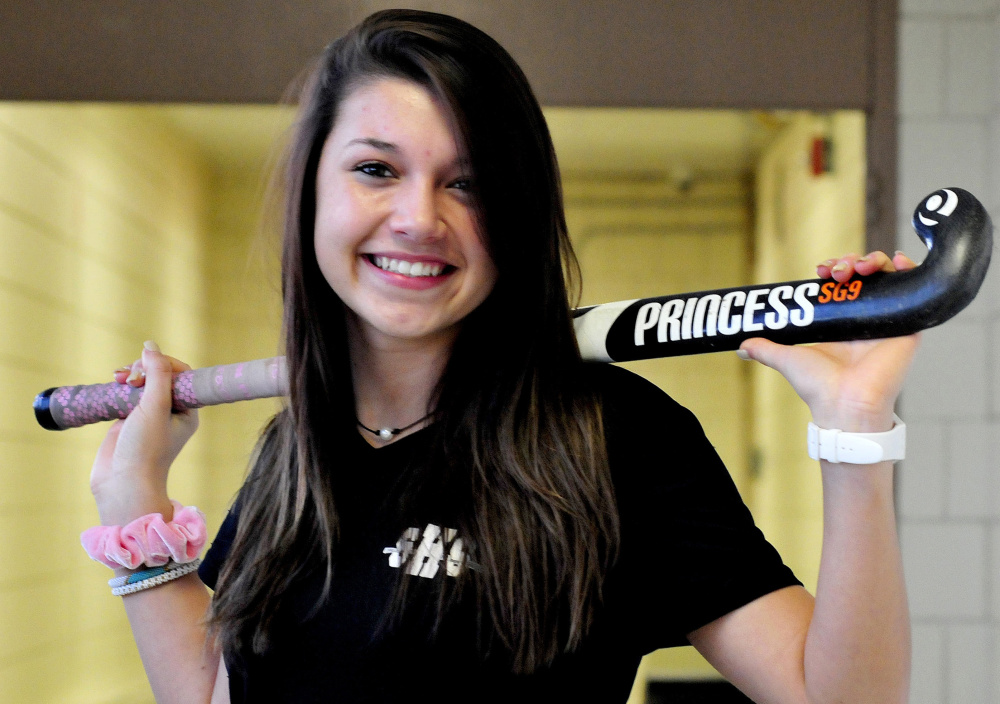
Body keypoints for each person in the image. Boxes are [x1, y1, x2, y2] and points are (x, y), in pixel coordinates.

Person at [87, 9, 916, 704]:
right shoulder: (294, 453)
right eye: (376, 169)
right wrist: (135, 503)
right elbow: (210, 691)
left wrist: (855, 433)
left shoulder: (615, 438)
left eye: (468, 183)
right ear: (314, 196)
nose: (418, 217)